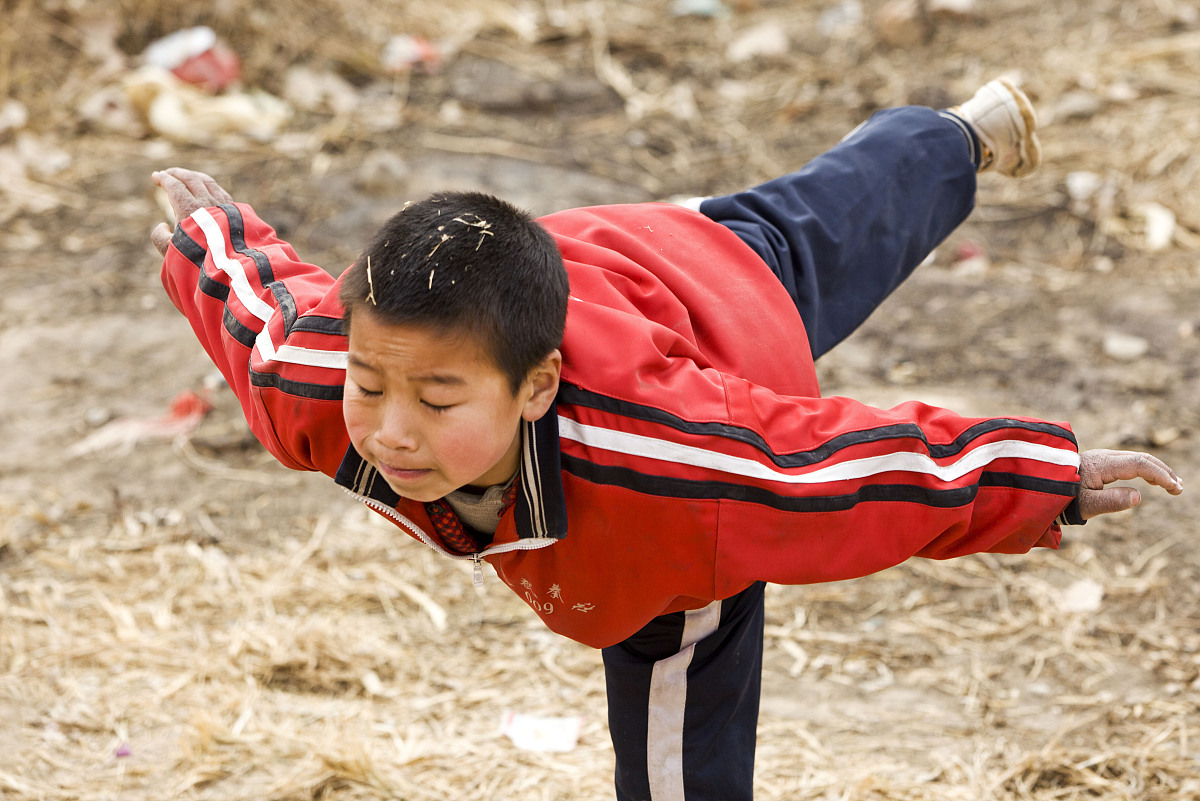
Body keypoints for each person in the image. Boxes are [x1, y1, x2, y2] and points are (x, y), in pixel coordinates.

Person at [150, 79, 1182, 801]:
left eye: (434, 401)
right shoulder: (332, 385)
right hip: (586, 271)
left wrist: (1046, 476)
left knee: (816, 230)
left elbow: (839, 468)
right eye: (372, 387)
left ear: (534, 391)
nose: (391, 431)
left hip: (725, 303)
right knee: (793, 220)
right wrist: (211, 240)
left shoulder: (678, 476)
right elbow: (263, 318)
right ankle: (937, 140)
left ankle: (954, 133)